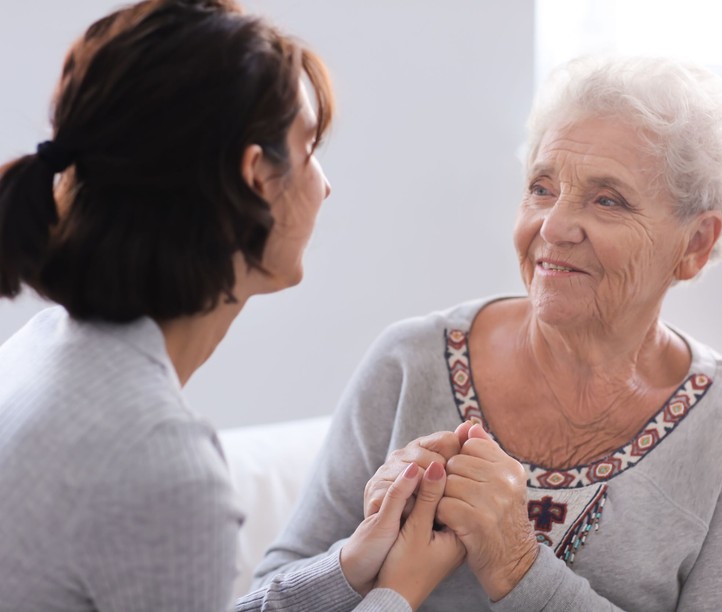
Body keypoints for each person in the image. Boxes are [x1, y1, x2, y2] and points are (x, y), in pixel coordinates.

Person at [250, 55, 722, 611]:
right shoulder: (409, 362)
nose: (553, 227)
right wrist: (360, 559)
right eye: (542, 188)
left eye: (607, 200)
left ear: (696, 244)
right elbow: (265, 596)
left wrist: (518, 566)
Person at [0, 1, 464, 611]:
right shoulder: (160, 458)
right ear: (256, 177)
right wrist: (398, 594)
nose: (325, 184)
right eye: (307, 147)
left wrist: (349, 570)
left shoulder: (43, 347)